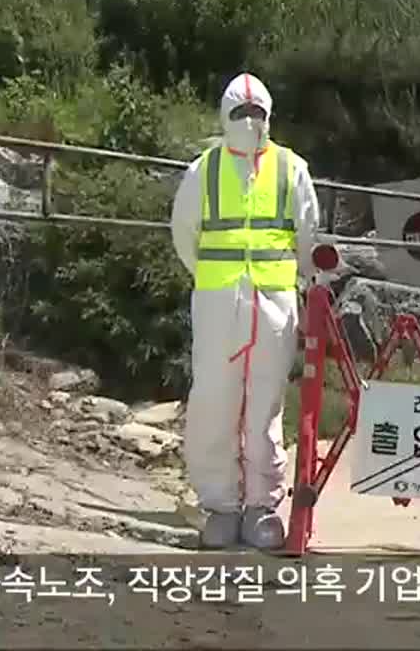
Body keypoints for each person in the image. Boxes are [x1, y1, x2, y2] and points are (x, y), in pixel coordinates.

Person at [171, 73, 320, 550]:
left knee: (265, 408)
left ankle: (260, 506)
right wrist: (213, 280)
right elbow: (184, 234)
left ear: (270, 116)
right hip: (219, 306)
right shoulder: (204, 170)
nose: (251, 121)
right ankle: (220, 506)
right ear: (225, 116)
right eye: (241, 113)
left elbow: (308, 238)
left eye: (258, 113)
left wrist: (295, 283)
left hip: (275, 306)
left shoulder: (291, 168)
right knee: (214, 402)